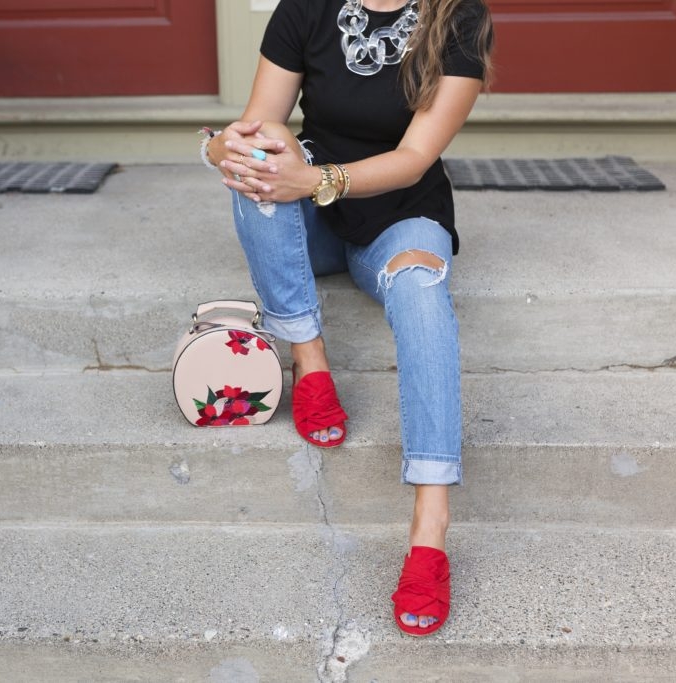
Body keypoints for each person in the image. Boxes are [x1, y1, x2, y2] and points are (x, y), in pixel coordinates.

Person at [200, 0, 493, 637]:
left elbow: (414, 158)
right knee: (257, 171)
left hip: (400, 217)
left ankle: (430, 528)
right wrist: (229, 148)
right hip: (313, 216)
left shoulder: (459, 17)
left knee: (420, 290)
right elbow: (258, 125)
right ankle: (309, 358)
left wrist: (308, 179)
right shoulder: (307, 7)